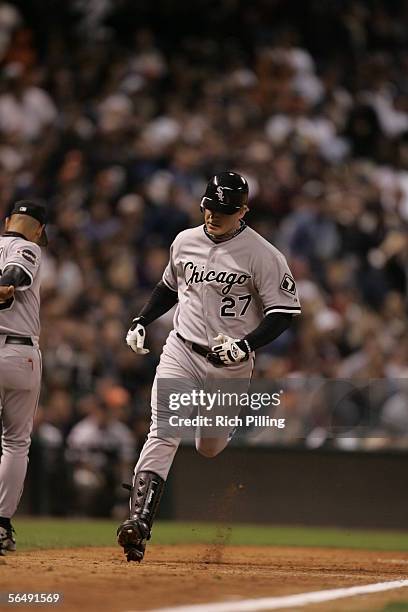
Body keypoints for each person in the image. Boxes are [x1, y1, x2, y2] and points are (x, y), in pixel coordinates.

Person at [117, 172, 301, 562]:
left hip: (229, 362)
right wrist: (140, 320)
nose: (214, 215)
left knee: (209, 447)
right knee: (164, 429)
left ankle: (217, 431)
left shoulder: (263, 254)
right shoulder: (184, 241)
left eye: (224, 210)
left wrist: (246, 345)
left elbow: (283, 313)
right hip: (181, 349)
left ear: (243, 211)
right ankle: (138, 524)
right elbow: (169, 287)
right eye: (210, 206)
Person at [0, 200, 47, 555]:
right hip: (18, 353)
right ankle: (1, 526)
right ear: (40, 230)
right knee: (15, 442)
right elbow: (16, 275)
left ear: (6, 221)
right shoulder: (27, 246)